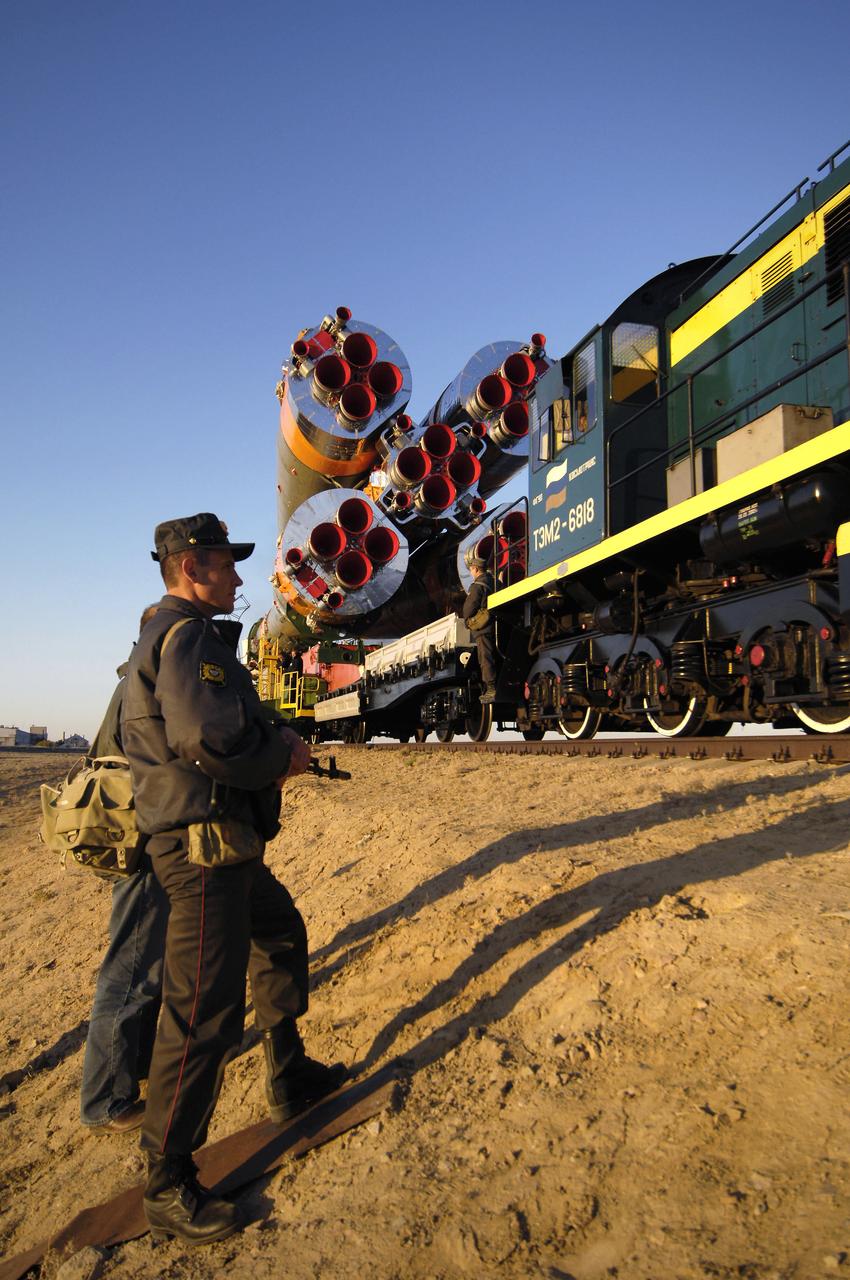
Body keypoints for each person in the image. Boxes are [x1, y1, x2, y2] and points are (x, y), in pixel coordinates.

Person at [121, 513, 346, 1245]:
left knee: (279, 933)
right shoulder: (188, 638)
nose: (240, 578)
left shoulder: (171, 636)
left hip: (226, 842)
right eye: (227, 565)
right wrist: (280, 755)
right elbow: (207, 738)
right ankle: (166, 1181)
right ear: (193, 568)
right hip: (202, 851)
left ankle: (287, 1073)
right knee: (202, 1013)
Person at [80, 605, 168, 1135]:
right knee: (131, 965)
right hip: (141, 840)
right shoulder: (144, 684)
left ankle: (134, 1071)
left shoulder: (133, 678)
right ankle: (106, 1101)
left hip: (138, 835)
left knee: (146, 962)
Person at [462, 554, 497, 702]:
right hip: (498, 624)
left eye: (471, 569)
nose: (471, 572)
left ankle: (491, 689)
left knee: (485, 658)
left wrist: (468, 621)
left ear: (475, 569)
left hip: (484, 628)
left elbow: (469, 608)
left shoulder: (478, 586)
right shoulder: (496, 582)